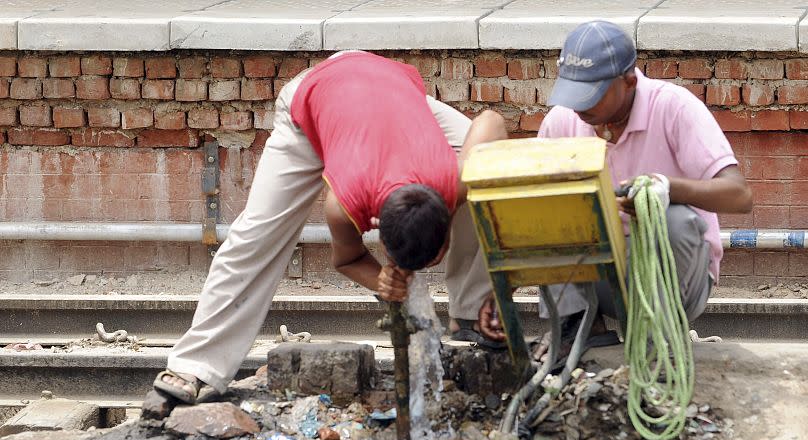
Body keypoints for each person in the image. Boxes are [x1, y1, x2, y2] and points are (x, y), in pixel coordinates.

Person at [152, 50, 507, 404]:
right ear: (377, 225)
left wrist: (493, 293)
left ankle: (475, 311)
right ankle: (196, 366)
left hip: (393, 92)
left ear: (444, 219)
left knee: (492, 178)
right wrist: (381, 281)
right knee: (259, 233)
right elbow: (348, 258)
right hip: (317, 97)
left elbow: (491, 120)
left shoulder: (457, 178)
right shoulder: (344, 203)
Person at [478, 20, 753, 362]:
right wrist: (502, 290)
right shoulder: (563, 122)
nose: (580, 107)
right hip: (601, 279)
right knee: (550, 203)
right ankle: (578, 326)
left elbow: (739, 195)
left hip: (677, 279)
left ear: (629, 82)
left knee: (673, 219)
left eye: (591, 94)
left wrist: (668, 189)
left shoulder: (673, 107)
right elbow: (533, 213)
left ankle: (658, 334)